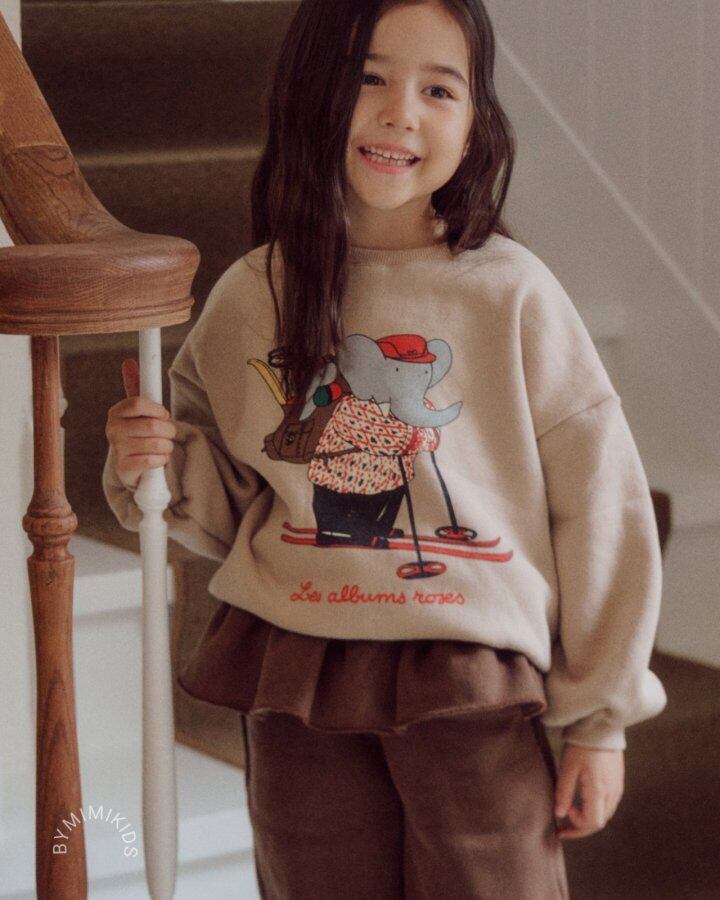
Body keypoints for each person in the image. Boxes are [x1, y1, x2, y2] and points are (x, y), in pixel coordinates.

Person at [103, 1, 668, 897]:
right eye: (369, 76)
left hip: (468, 671)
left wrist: (600, 719)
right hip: (295, 660)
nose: (401, 112)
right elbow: (227, 498)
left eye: (439, 89)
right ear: (311, 92)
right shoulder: (254, 293)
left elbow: (602, 506)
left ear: (475, 123)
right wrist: (152, 464)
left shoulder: (512, 293)